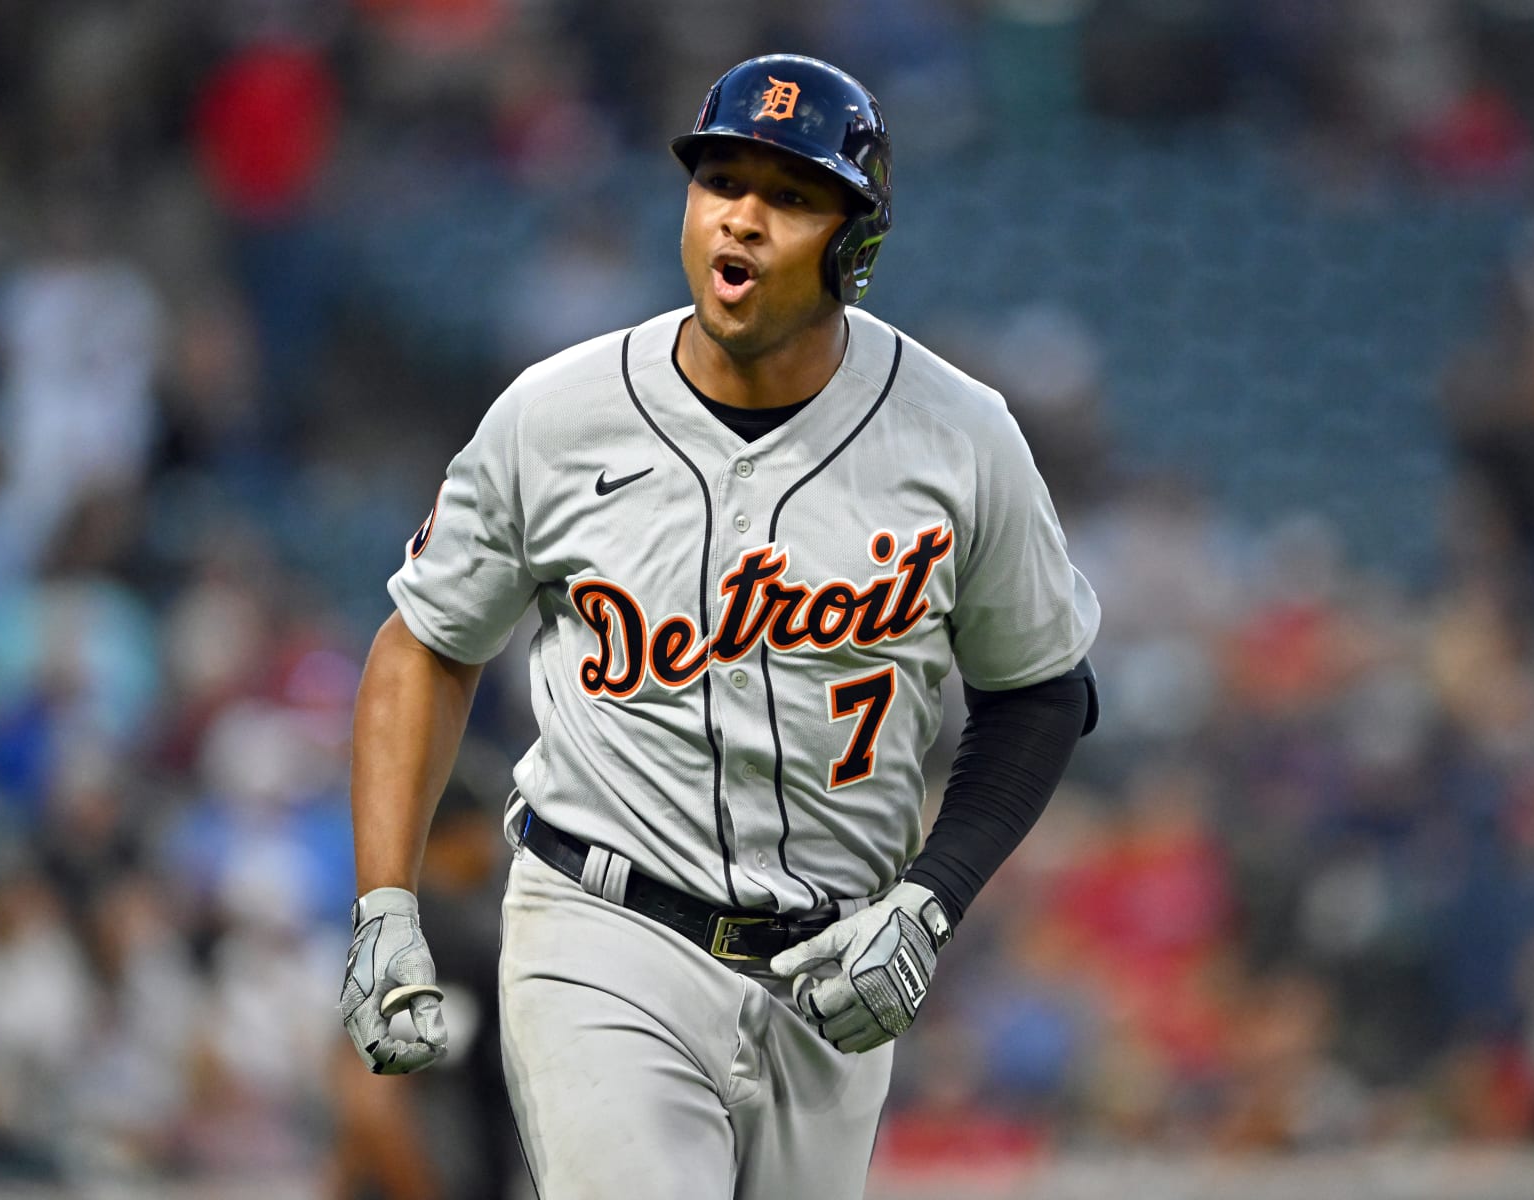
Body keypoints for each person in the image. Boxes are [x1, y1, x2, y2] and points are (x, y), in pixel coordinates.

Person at [339, 53, 1101, 1199]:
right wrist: (384, 894)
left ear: (858, 245)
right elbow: (429, 640)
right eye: (720, 181)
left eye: (789, 196)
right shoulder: (557, 416)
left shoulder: (961, 438)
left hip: (833, 976)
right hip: (601, 929)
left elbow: (1042, 689)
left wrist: (933, 899)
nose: (740, 217)